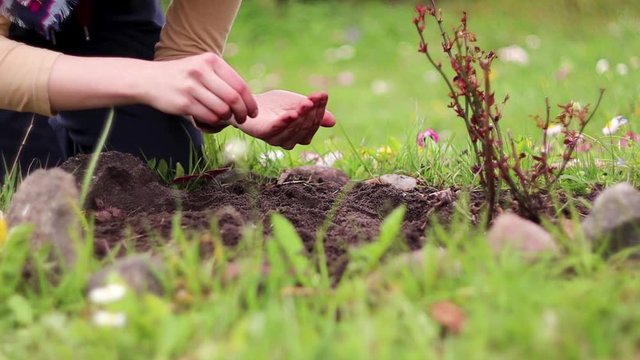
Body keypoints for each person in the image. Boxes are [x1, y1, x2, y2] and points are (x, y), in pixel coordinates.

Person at [0, 0, 336, 179]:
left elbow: (184, 55)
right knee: (26, 176)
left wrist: (230, 106)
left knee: (157, 167)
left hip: (108, 12)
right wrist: (141, 79)